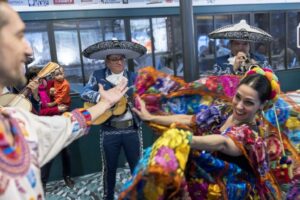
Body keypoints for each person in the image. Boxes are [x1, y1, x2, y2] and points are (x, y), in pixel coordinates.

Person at [0, 1, 128, 199]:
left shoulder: (12, 121)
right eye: (18, 36)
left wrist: (105, 104)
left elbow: (68, 125)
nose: (28, 50)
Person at [129, 66, 282, 199]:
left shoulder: (251, 134)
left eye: (248, 102)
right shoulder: (225, 110)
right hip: (210, 183)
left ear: (261, 105)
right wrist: (151, 117)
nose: (239, 106)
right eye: (238, 97)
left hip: (233, 192)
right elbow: (191, 120)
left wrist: (183, 138)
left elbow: (222, 143)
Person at [80, 39, 146, 200]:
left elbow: (145, 95)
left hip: (132, 129)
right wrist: (101, 98)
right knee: (109, 168)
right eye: (114, 59)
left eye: (121, 58)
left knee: (137, 168)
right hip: (109, 130)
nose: (119, 62)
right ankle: (108, 197)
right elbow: (84, 92)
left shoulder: (133, 77)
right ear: (107, 62)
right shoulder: (98, 76)